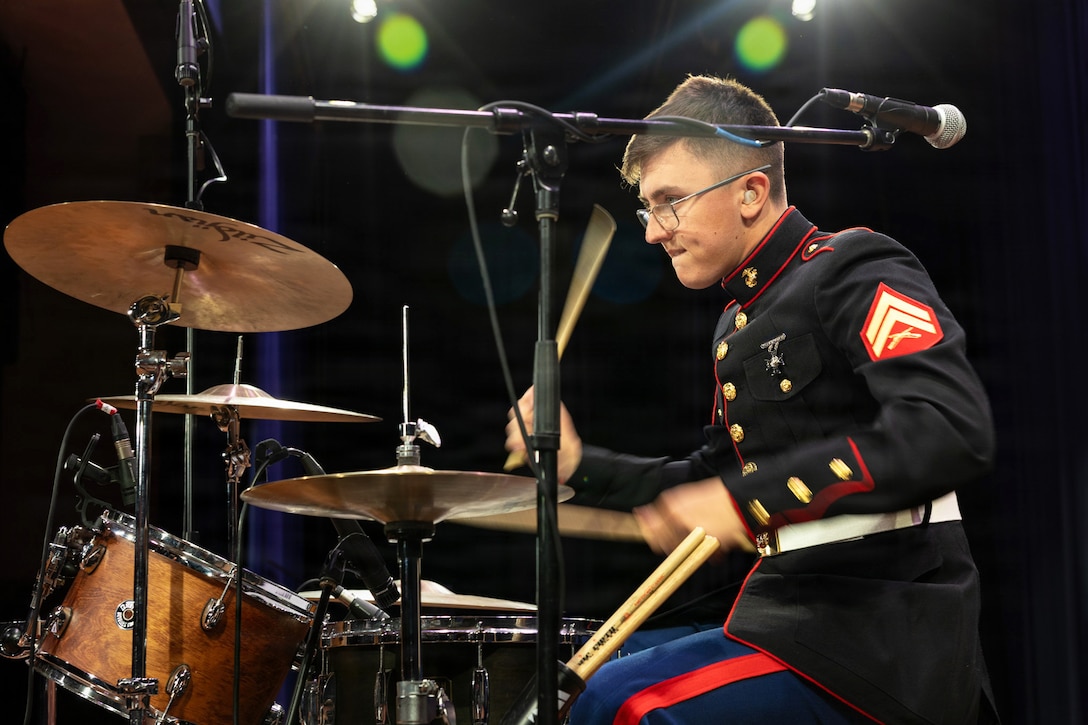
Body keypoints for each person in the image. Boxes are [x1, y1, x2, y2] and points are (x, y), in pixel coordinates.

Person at [505, 75, 998, 724]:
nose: (653, 232)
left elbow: (948, 431)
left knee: (622, 703)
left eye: (670, 202)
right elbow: (714, 478)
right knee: (576, 684)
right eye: (649, 209)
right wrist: (579, 465)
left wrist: (745, 500)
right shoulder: (738, 322)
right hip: (789, 616)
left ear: (751, 192)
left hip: (882, 636)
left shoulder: (854, 267)